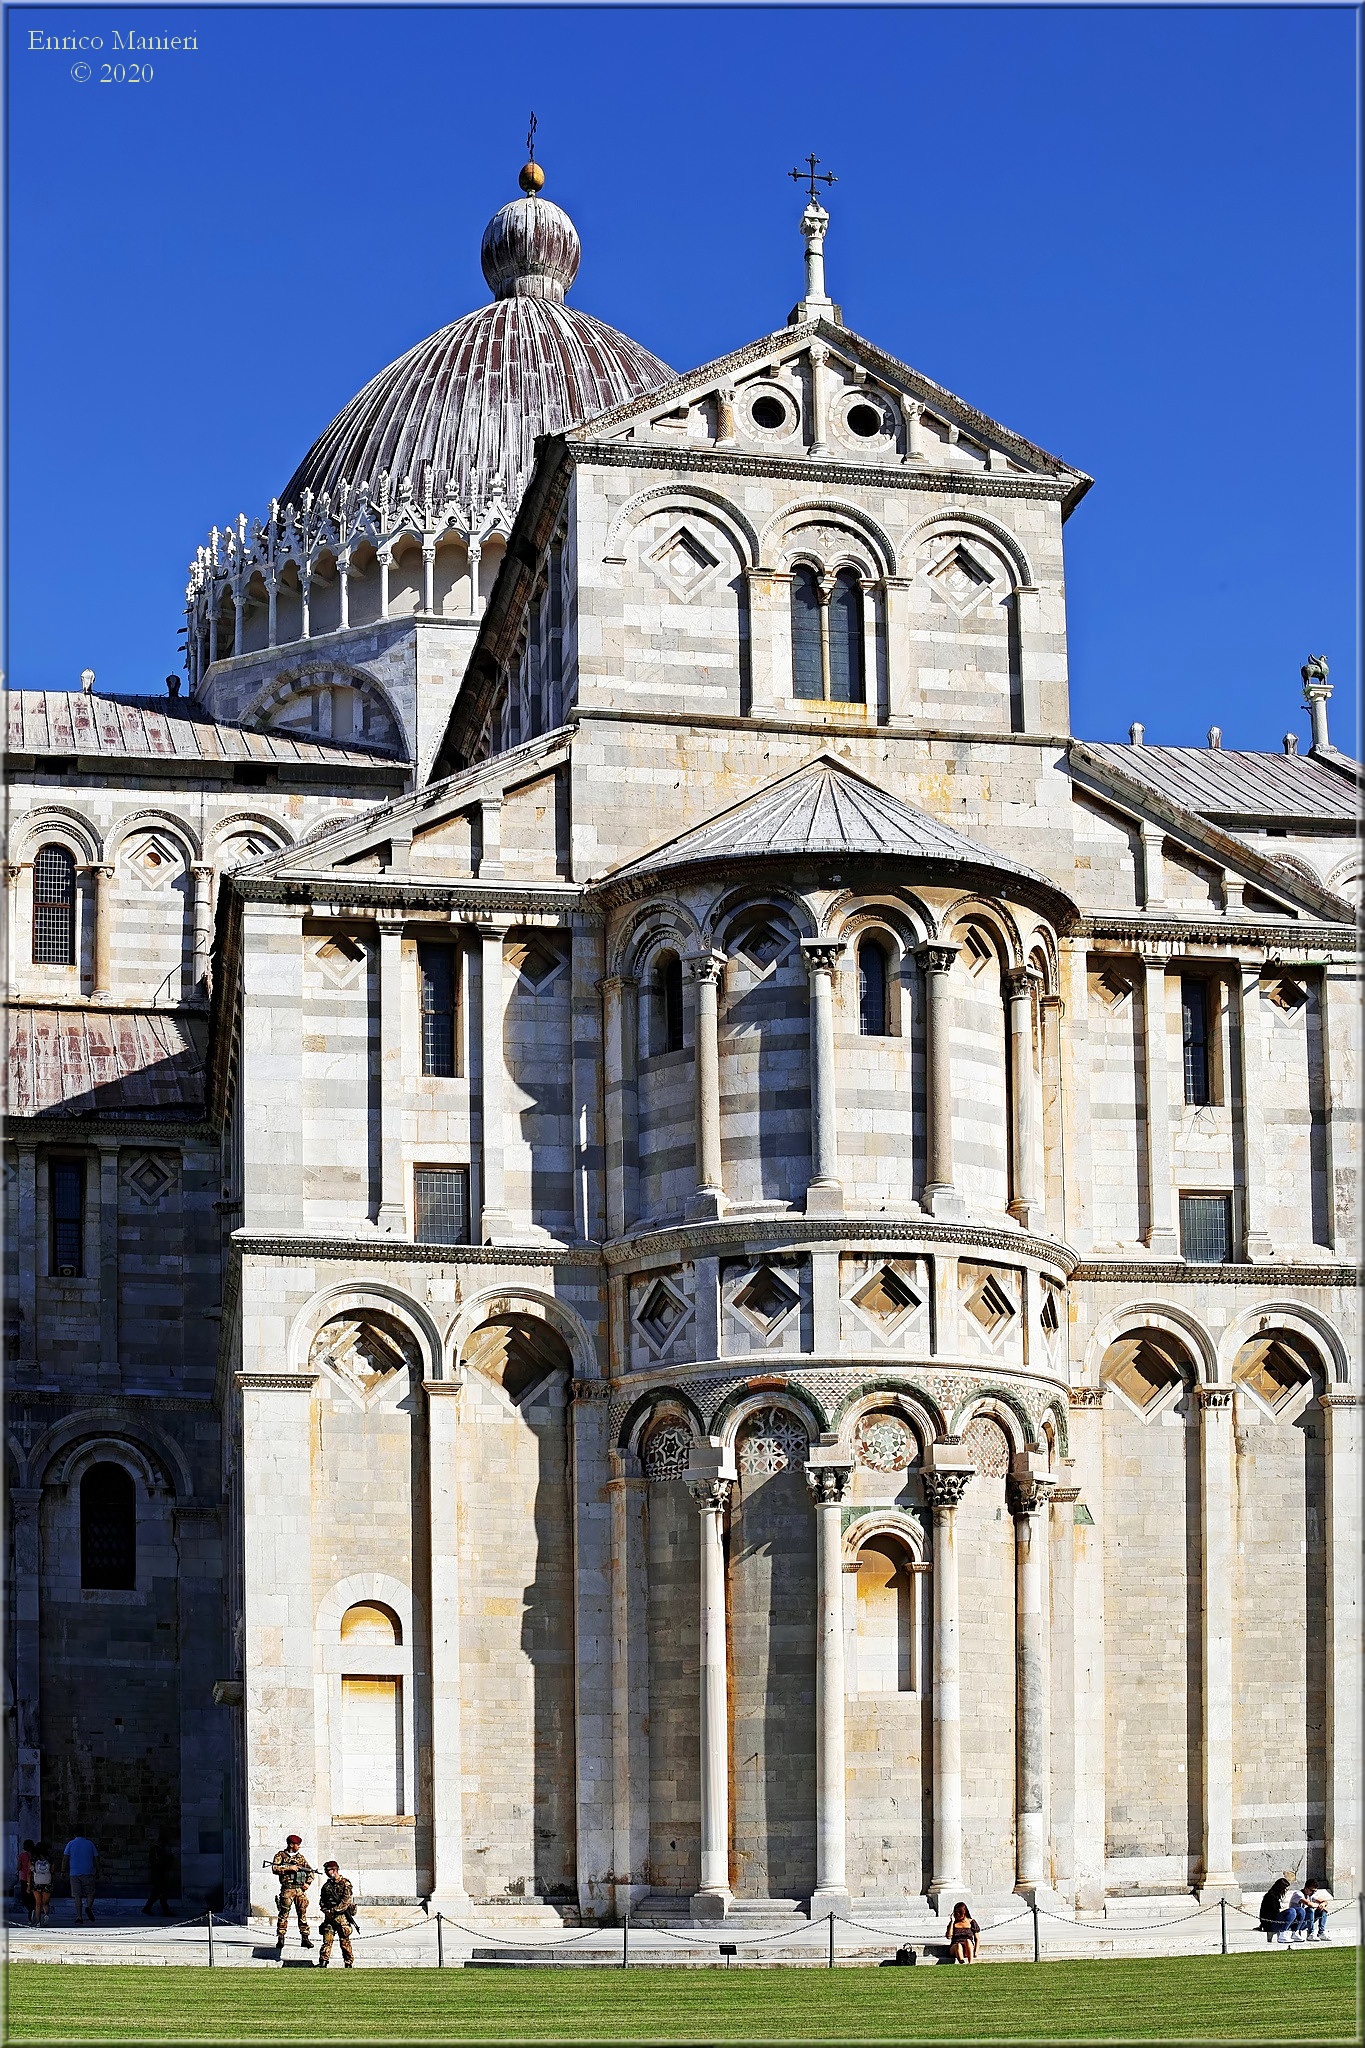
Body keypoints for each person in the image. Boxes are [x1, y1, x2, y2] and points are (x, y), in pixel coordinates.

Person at [272, 1834, 315, 1951]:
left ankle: (305, 1938)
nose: (299, 1847)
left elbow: (311, 1872)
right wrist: (288, 1869)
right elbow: (275, 1868)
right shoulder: (280, 1855)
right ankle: (281, 1937)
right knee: (283, 1913)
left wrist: (307, 1883)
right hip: (287, 1889)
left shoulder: (301, 1858)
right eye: (297, 1845)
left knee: (302, 1913)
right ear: (291, 1845)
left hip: (299, 1890)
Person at [317, 1861, 356, 1969]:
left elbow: (346, 1901)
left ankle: (348, 1962)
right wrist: (326, 1911)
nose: (326, 1873)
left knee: (344, 1942)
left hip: (342, 1918)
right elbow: (322, 1901)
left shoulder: (345, 1884)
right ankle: (323, 1961)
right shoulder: (327, 1886)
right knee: (327, 1941)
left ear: (334, 1870)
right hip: (329, 1918)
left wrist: (334, 1910)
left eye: (328, 1870)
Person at [62, 1830, 98, 1924]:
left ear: (74, 1834)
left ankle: (79, 1916)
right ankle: (88, 1907)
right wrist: (98, 1870)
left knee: (77, 1896)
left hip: (74, 1872)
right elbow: (96, 1858)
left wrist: (62, 1871)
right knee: (90, 1893)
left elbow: (65, 1858)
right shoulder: (90, 1844)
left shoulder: (70, 1844)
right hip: (88, 1871)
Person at [143, 1837, 175, 1917]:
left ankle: (152, 1908)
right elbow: (158, 1862)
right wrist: (168, 1859)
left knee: (159, 1893)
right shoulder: (155, 1850)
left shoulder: (157, 1849)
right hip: (158, 1874)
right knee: (160, 1892)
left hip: (160, 1874)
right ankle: (163, 1910)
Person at [30, 1844, 53, 1926]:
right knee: (45, 1903)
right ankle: (46, 1915)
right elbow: (53, 1870)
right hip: (47, 1882)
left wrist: (29, 1884)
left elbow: (31, 1871)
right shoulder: (49, 1859)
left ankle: (37, 1921)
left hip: (37, 1882)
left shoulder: (33, 1859)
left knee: (38, 1903)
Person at [16, 1841, 35, 1926]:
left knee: (25, 1899)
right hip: (35, 1879)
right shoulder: (35, 1855)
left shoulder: (22, 1856)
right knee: (33, 1898)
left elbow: (19, 1867)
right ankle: (33, 1912)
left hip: (24, 1879)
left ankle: (30, 1912)